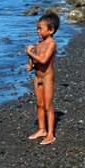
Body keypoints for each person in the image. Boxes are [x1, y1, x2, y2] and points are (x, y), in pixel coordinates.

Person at [25, 12, 59, 145]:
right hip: (37, 77)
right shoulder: (39, 44)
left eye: (40, 28)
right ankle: (42, 129)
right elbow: (35, 63)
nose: (38, 31)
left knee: (48, 106)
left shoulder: (51, 44)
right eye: (37, 29)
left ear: (51, 30)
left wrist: (29, 53)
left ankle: (50, 134)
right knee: (39, 104)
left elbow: (44, 60)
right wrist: (30, 63)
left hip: (47, 78)